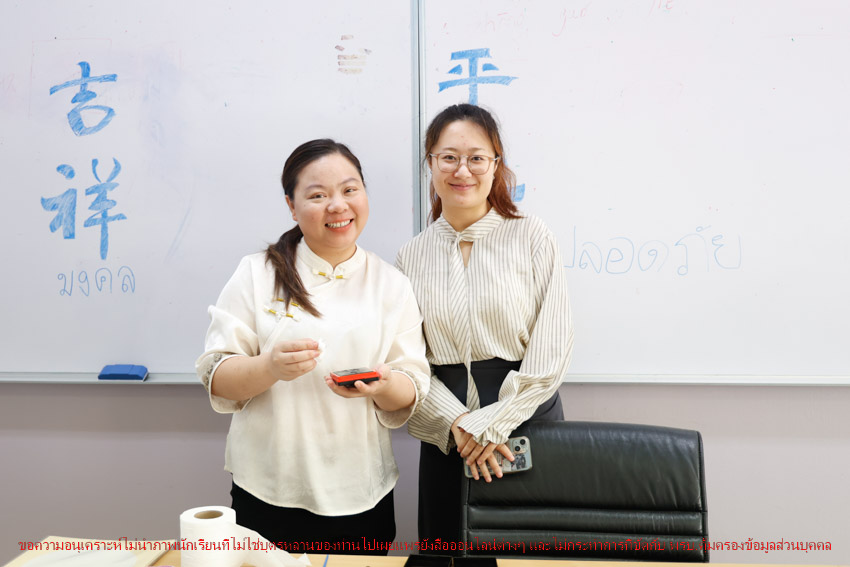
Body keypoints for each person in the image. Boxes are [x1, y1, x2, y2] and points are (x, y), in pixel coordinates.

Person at [196, 139, 430, 554]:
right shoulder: (256, 273)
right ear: (292, 206)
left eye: (350, 189)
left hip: (361, 491)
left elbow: (412, 386)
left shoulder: (391, 283)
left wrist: (384, 383)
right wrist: (269, 368)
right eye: (318, 196)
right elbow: (217, 377)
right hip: (269, 487)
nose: (338, 205)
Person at [396, 104, 574, 548]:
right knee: (448, 548)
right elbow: (409, 363)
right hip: (448, 428)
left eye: (477, 157)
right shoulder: (410, 256)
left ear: (496, 164)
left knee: (526, 551)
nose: (463, 170)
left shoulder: (532, 235)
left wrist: (493, 423)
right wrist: (459, 423)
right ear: (431, 163)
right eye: (448, 157)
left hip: (524, 417)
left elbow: (552, 347)